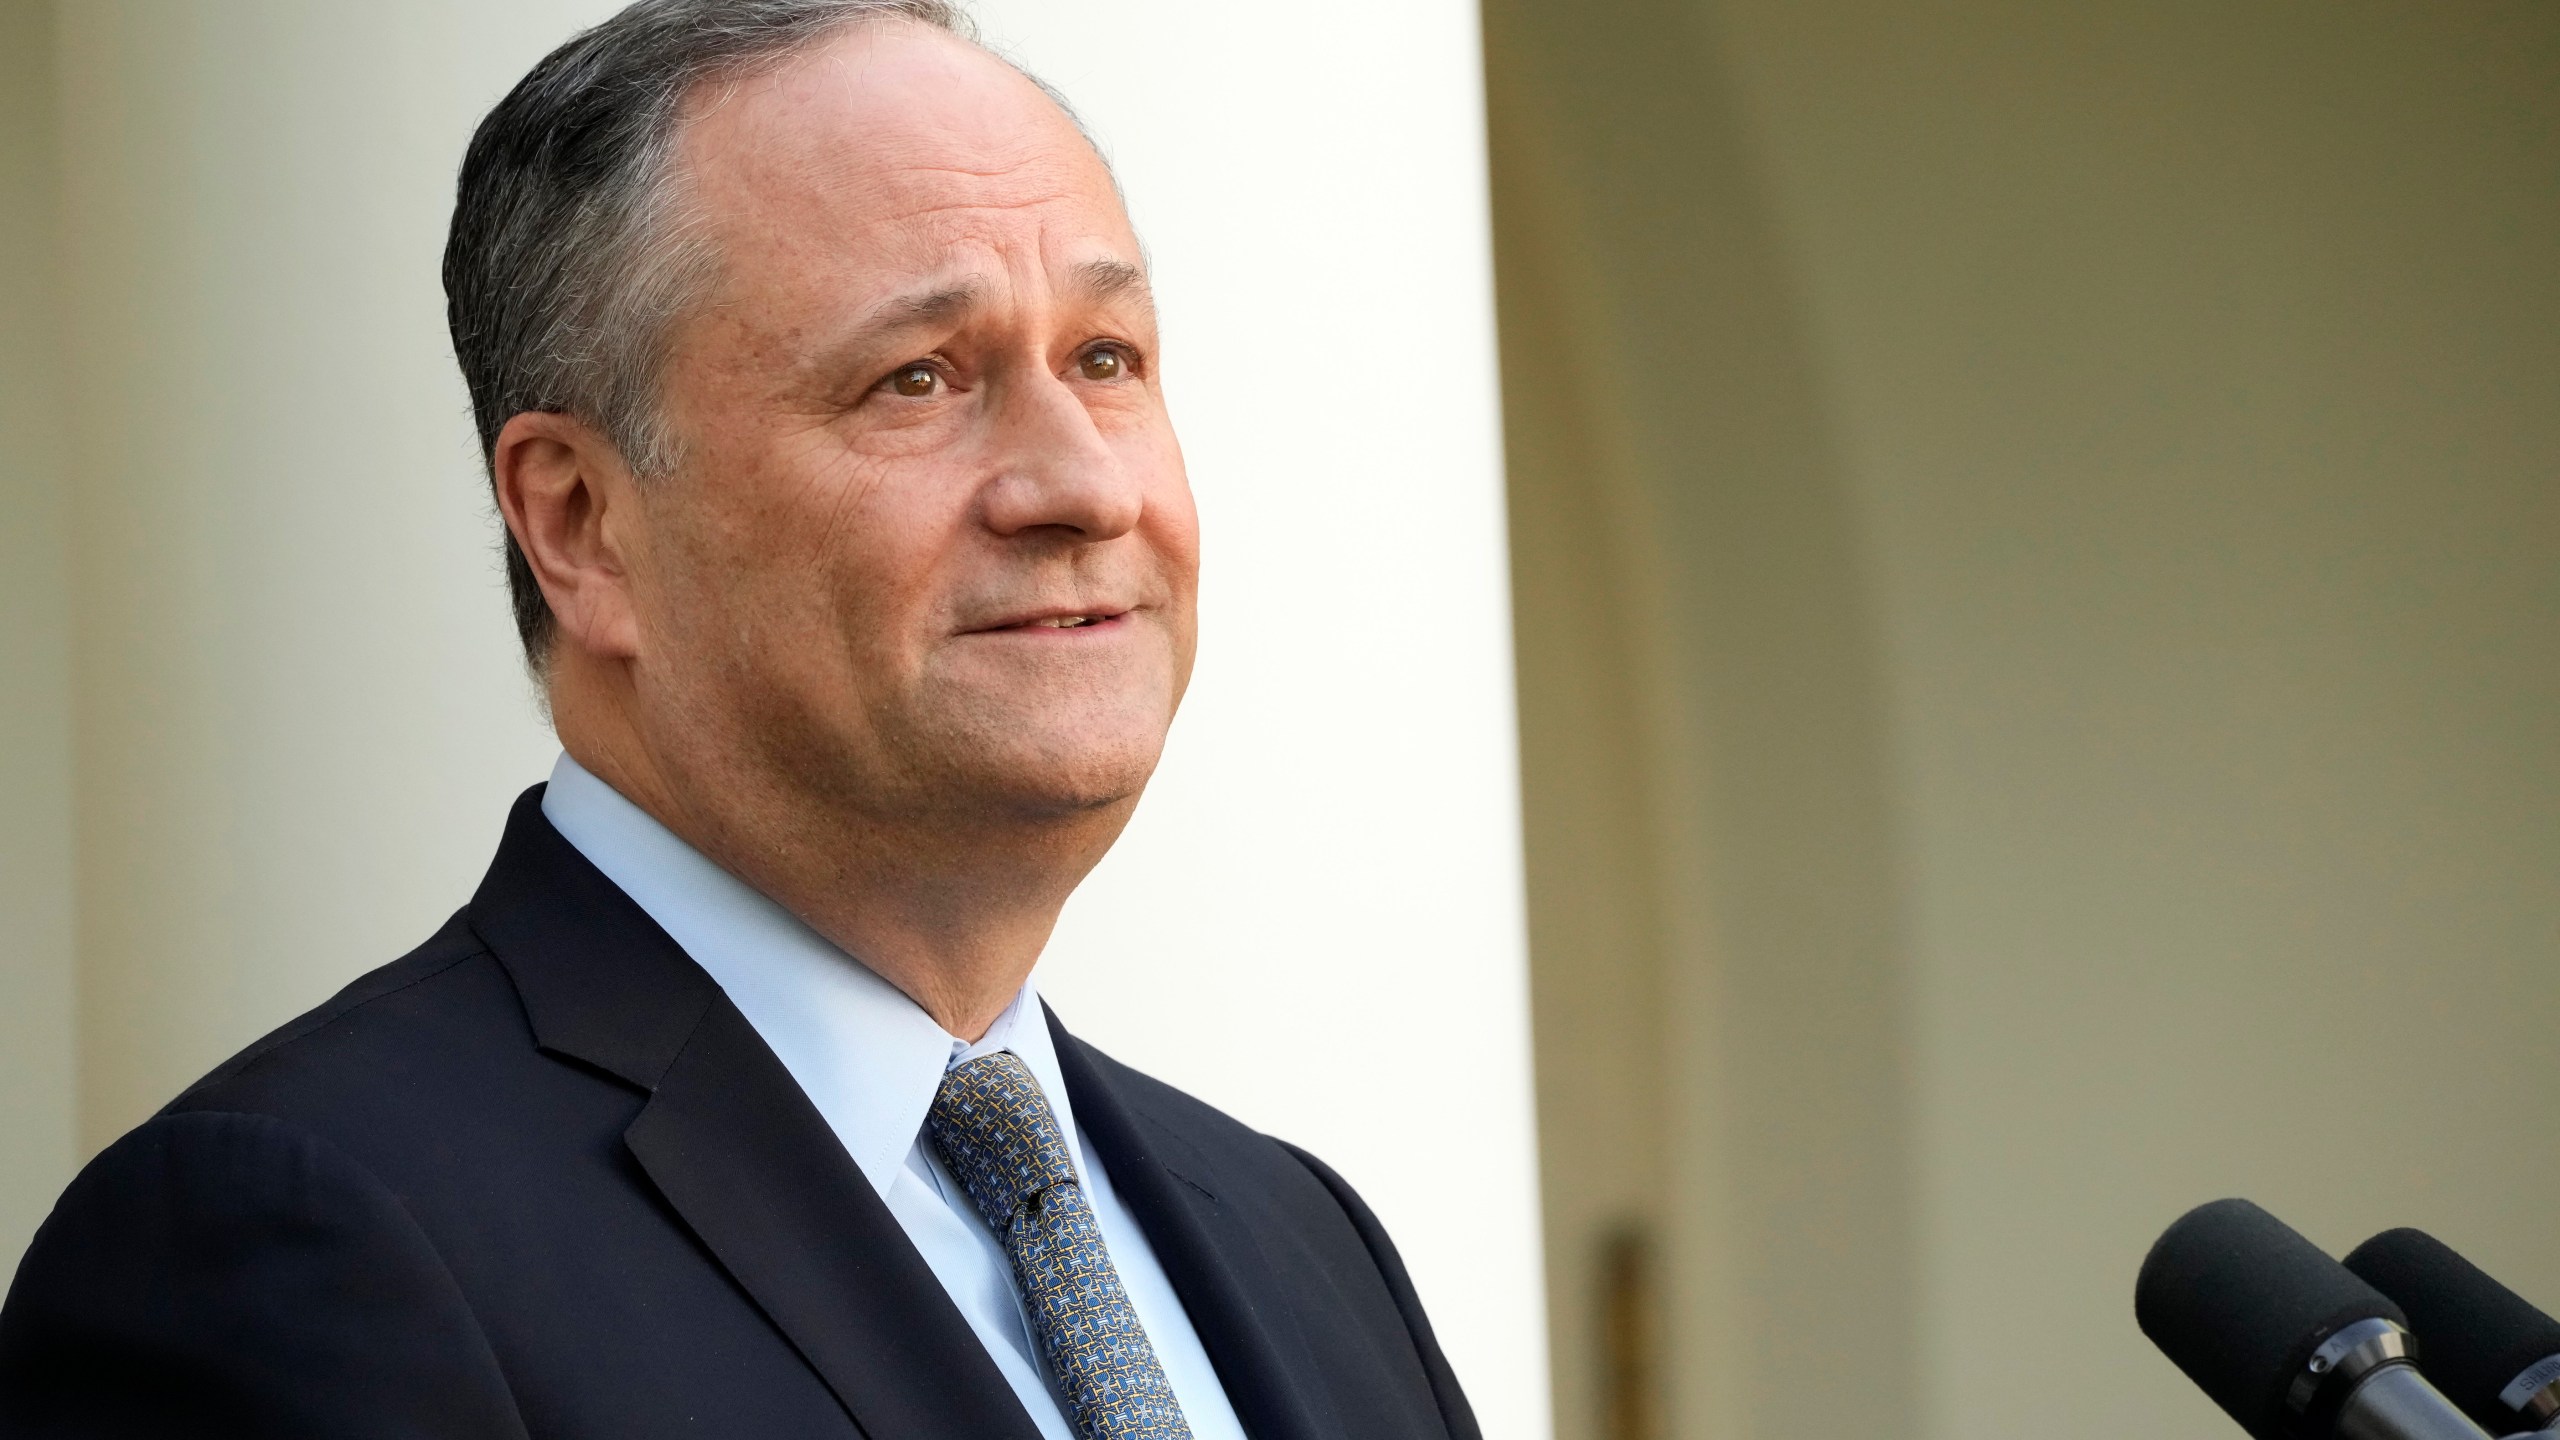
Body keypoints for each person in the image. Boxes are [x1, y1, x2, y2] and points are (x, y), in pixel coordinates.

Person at [0, 3, 1481, 1437]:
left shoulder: (1303, 1243)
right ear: (580, 524)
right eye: (918, 379)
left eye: (1107, 359)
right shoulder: (289, 1246)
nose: (1086, 485)